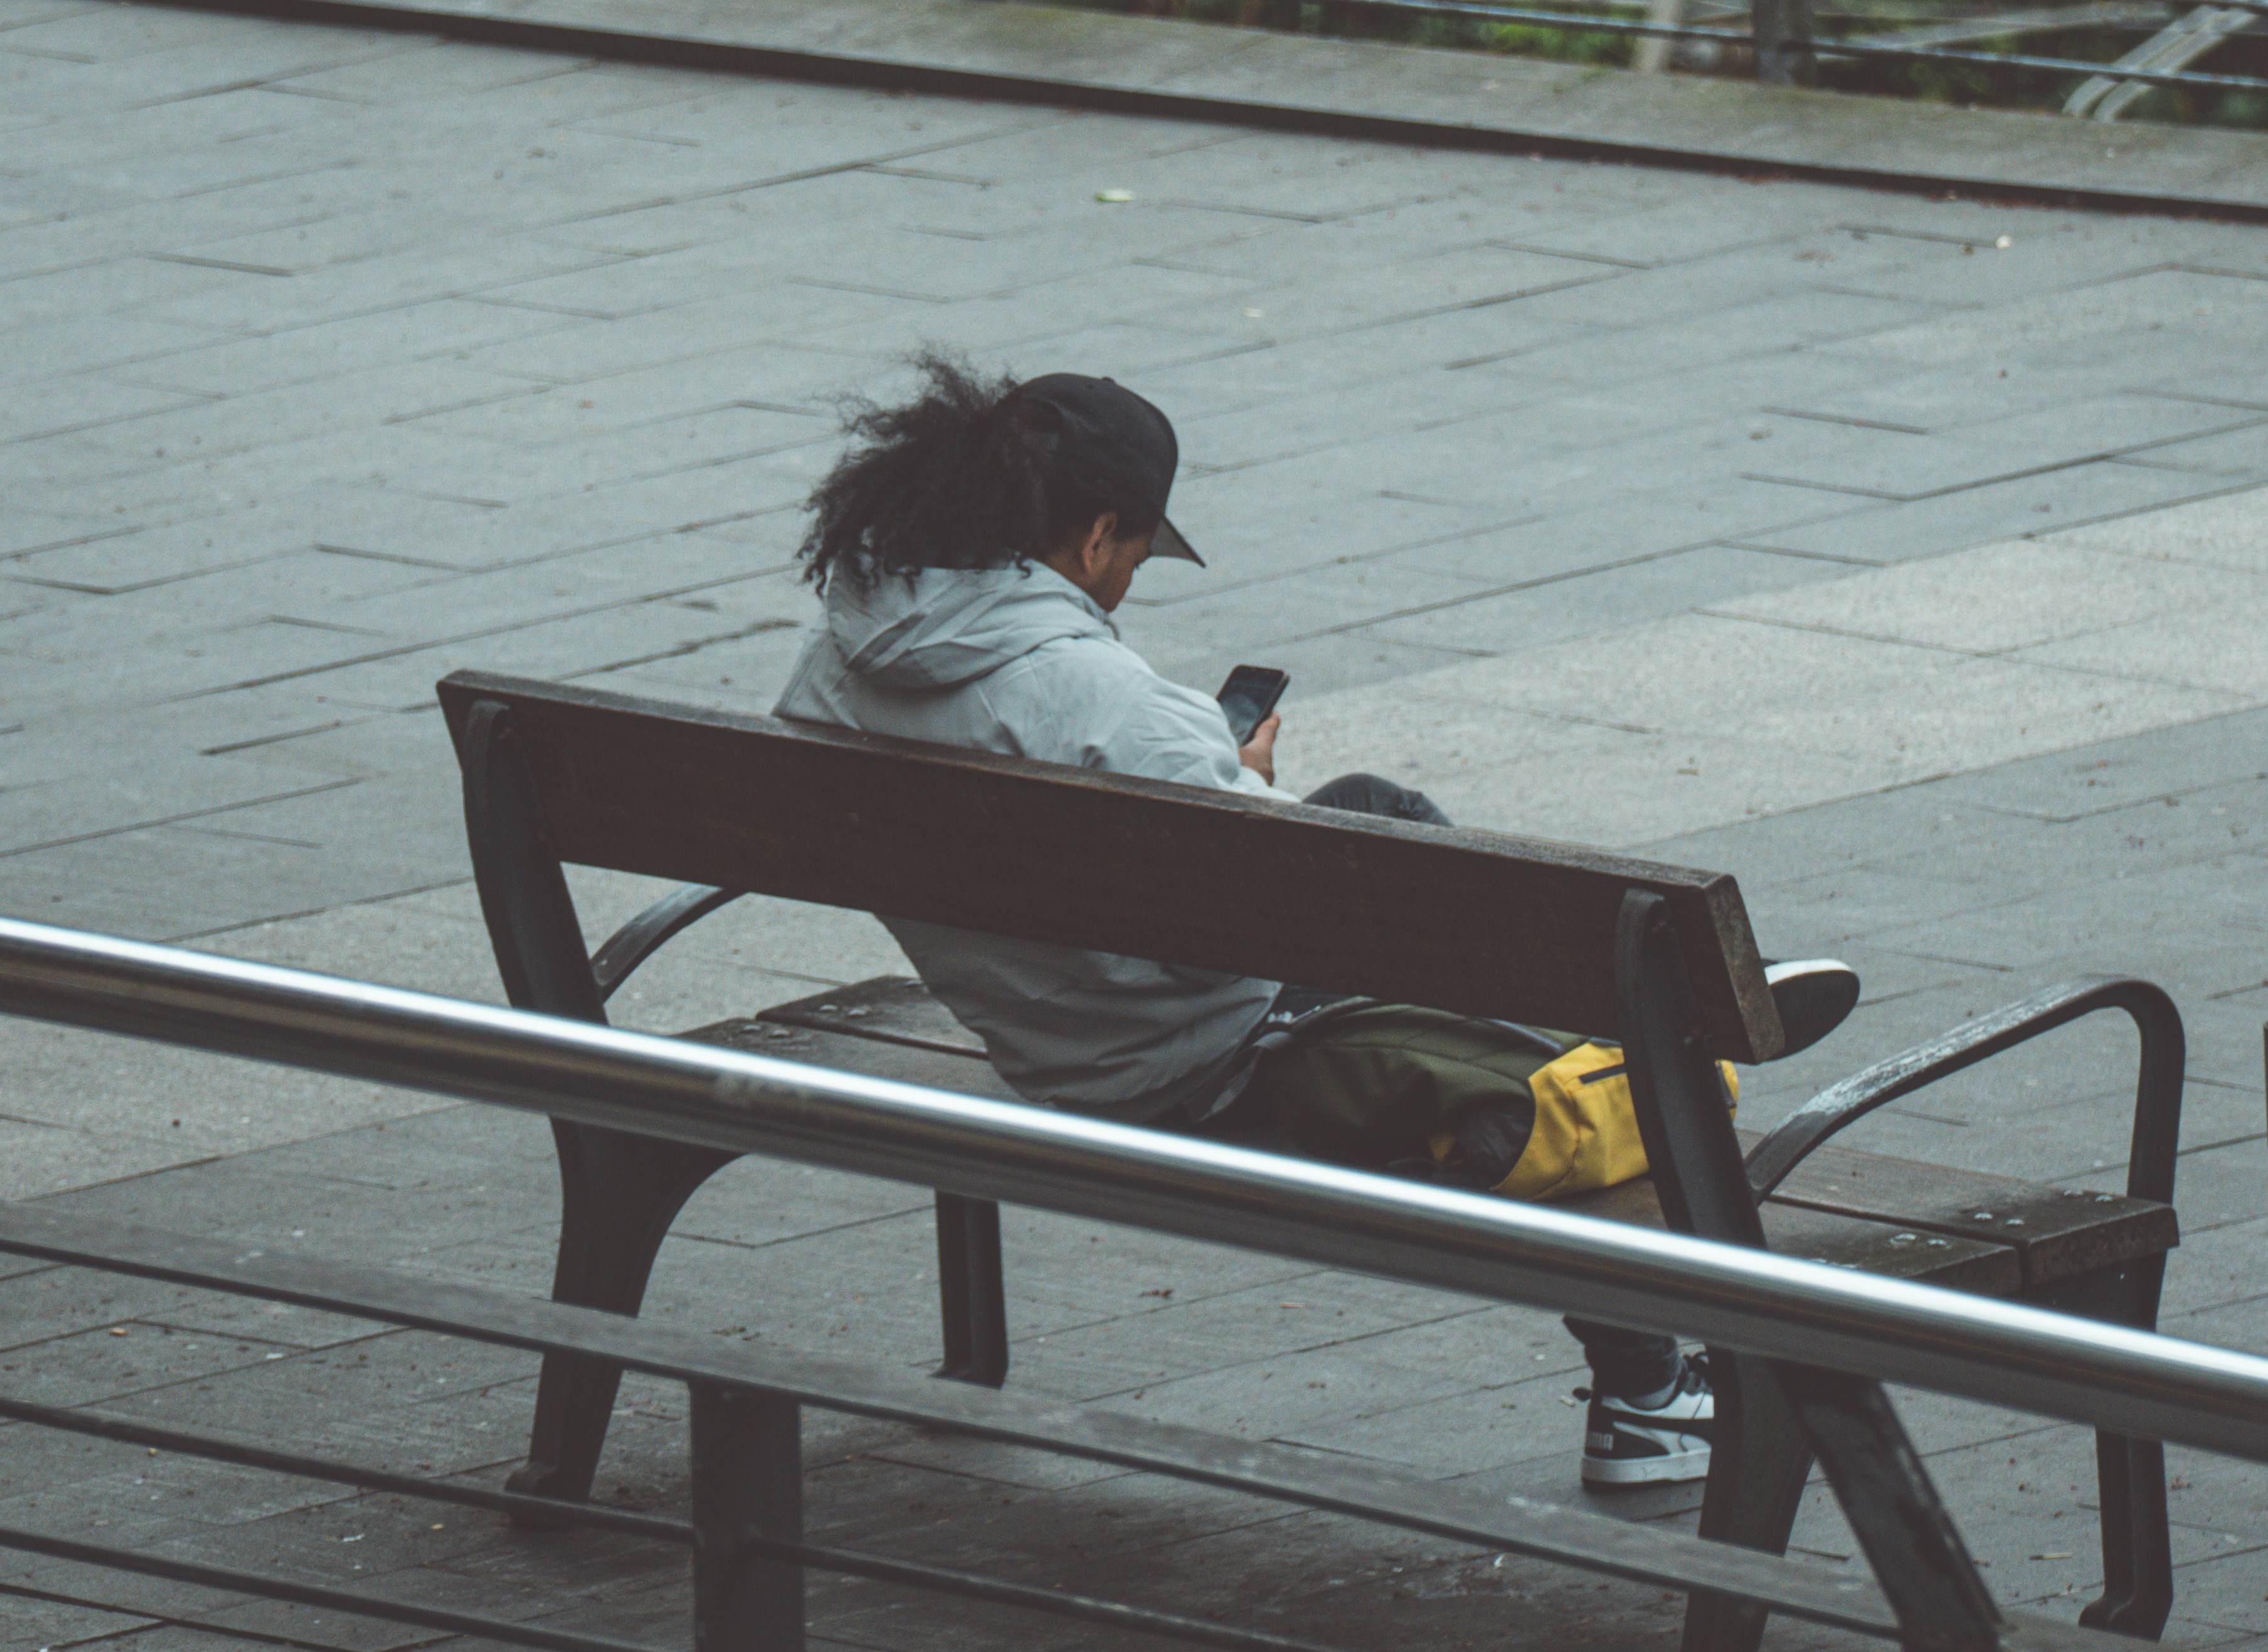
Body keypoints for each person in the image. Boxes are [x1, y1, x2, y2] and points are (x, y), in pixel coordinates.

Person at [773, 354, 1852, 1491]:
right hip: (1205, 1056)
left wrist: (1224, 788)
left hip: (1044, 1027)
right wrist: (1238, 785)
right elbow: (1252, 918)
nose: (1130, 577)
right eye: (1137, 554)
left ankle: (1645, 1005)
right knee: (1590, 1035)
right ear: (1097, 537)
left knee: (1376, 812)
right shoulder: (1108, 702)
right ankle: (1653, 1331)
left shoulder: (831, 660)